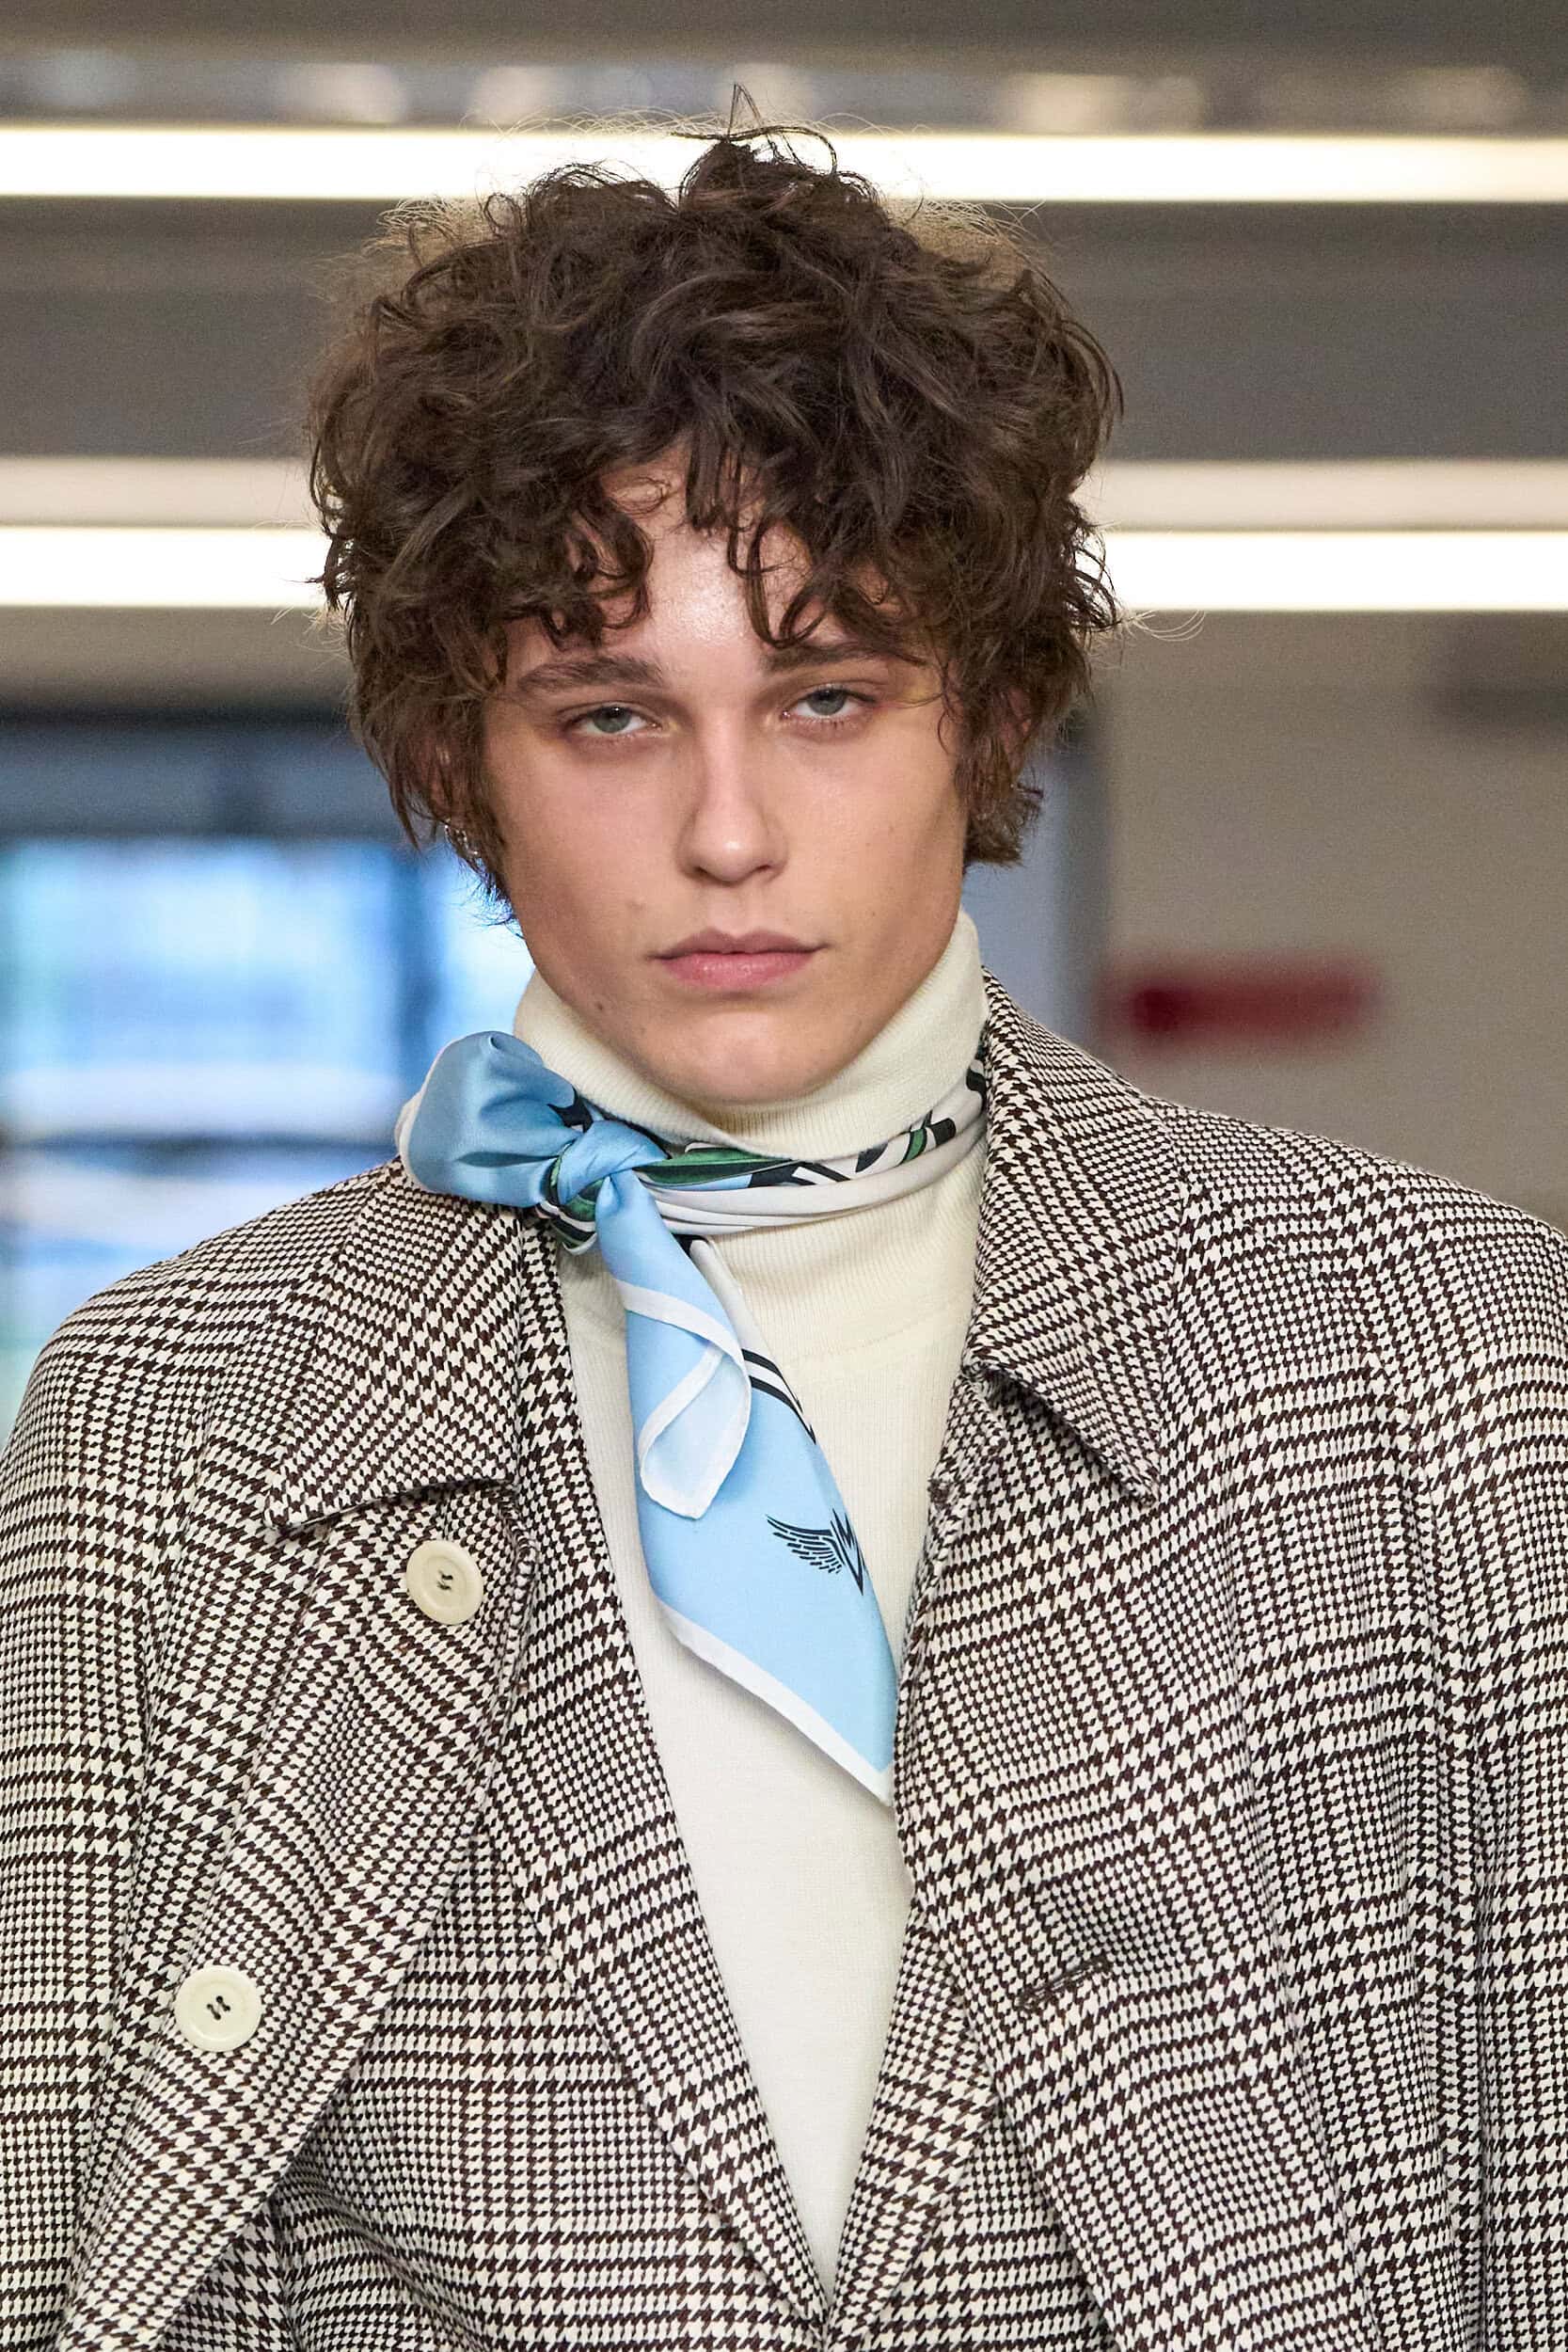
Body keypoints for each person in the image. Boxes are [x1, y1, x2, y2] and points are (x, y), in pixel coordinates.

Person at [2, 122, 1562, 2352]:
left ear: (987, 713)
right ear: (463, 753)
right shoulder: (176, 1428)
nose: (727, 830)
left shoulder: (1445, 1371)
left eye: (828, 694)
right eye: (609, 712)